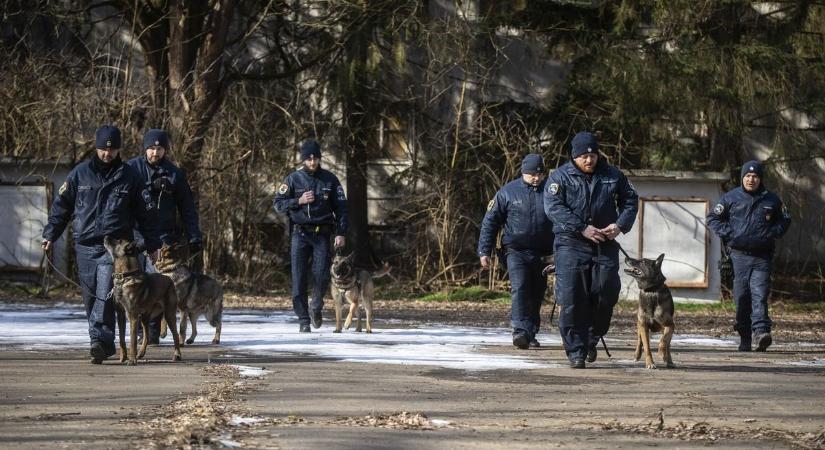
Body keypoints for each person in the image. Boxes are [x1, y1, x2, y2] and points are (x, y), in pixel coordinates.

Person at [42, 125, 145, 364]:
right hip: (85, 246)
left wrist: (147, 242)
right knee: (90, 297)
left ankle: (99, 342)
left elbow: (143, 214)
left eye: (112, 150)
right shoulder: (79, 174)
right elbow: (61, 208)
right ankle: (99, 342)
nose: (107, 154)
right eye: (102, 149)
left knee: (104, 294)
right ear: (96, 148)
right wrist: (51, 234)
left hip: (115, 247)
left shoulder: (130, 176)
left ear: (119, 149)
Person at [544, 132, 639, 368]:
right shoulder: (560, 177)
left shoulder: (613, 175)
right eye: (583, 156)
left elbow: (630, 200)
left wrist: (619, 225)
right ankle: (575, 349)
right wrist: (582, 228)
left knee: (606, 290)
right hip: (570, 242)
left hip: (604, 243)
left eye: (592, 155)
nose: (589, 160)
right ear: (574, 157)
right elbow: (553, 207)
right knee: (572, 296)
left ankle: (591, 338)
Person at [127, 128, 203, 344]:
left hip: (163, 237)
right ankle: (138, 328)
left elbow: (187, 207)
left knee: (158, 284)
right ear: (145, 148)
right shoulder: (132, 169)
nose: (155, 152)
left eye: (159, 148)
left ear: (165, 150)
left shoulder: (175, 174)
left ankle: (152, 330)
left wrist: (194, 236)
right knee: (135, 283)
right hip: (136, 235)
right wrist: (151, 187)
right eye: (151, 148)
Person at [706, 160, 791, 352]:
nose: (751, 179)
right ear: (742, 178)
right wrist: (730, 233)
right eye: (747, 176)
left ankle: (761, 333)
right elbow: (713, 218)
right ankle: (744, 336)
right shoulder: (730, 198)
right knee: (742, 296)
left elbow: (785, 219)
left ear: (760, 179)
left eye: (755, 176)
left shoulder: (772, 200)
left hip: (762, 257)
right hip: (738, 257)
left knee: (759, 294)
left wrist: (772, 233)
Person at [477, 154, 555, 349]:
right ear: (523, 173)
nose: (536, 178)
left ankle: (531, 331)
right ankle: (520, 331)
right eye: (531, 174)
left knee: (537, 292)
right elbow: (490, 222)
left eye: (539, 174)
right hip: (515, 251)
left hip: (543, 253)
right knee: (520, 288)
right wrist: (483, 251)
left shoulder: (551, 191)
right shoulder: (507, 192)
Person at [274, 140, 348, 332]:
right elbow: (278, 204)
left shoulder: (330, 180)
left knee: (322, 275)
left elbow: (342, 208)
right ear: (303, 159)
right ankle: (303, 319)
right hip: (300, 233)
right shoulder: (292, 180)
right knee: (299, 278)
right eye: (309, 158)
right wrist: (298, 200)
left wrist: (341, 233)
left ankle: (316, 306)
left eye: (315, 157)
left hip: (322, 234)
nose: (313, 161)